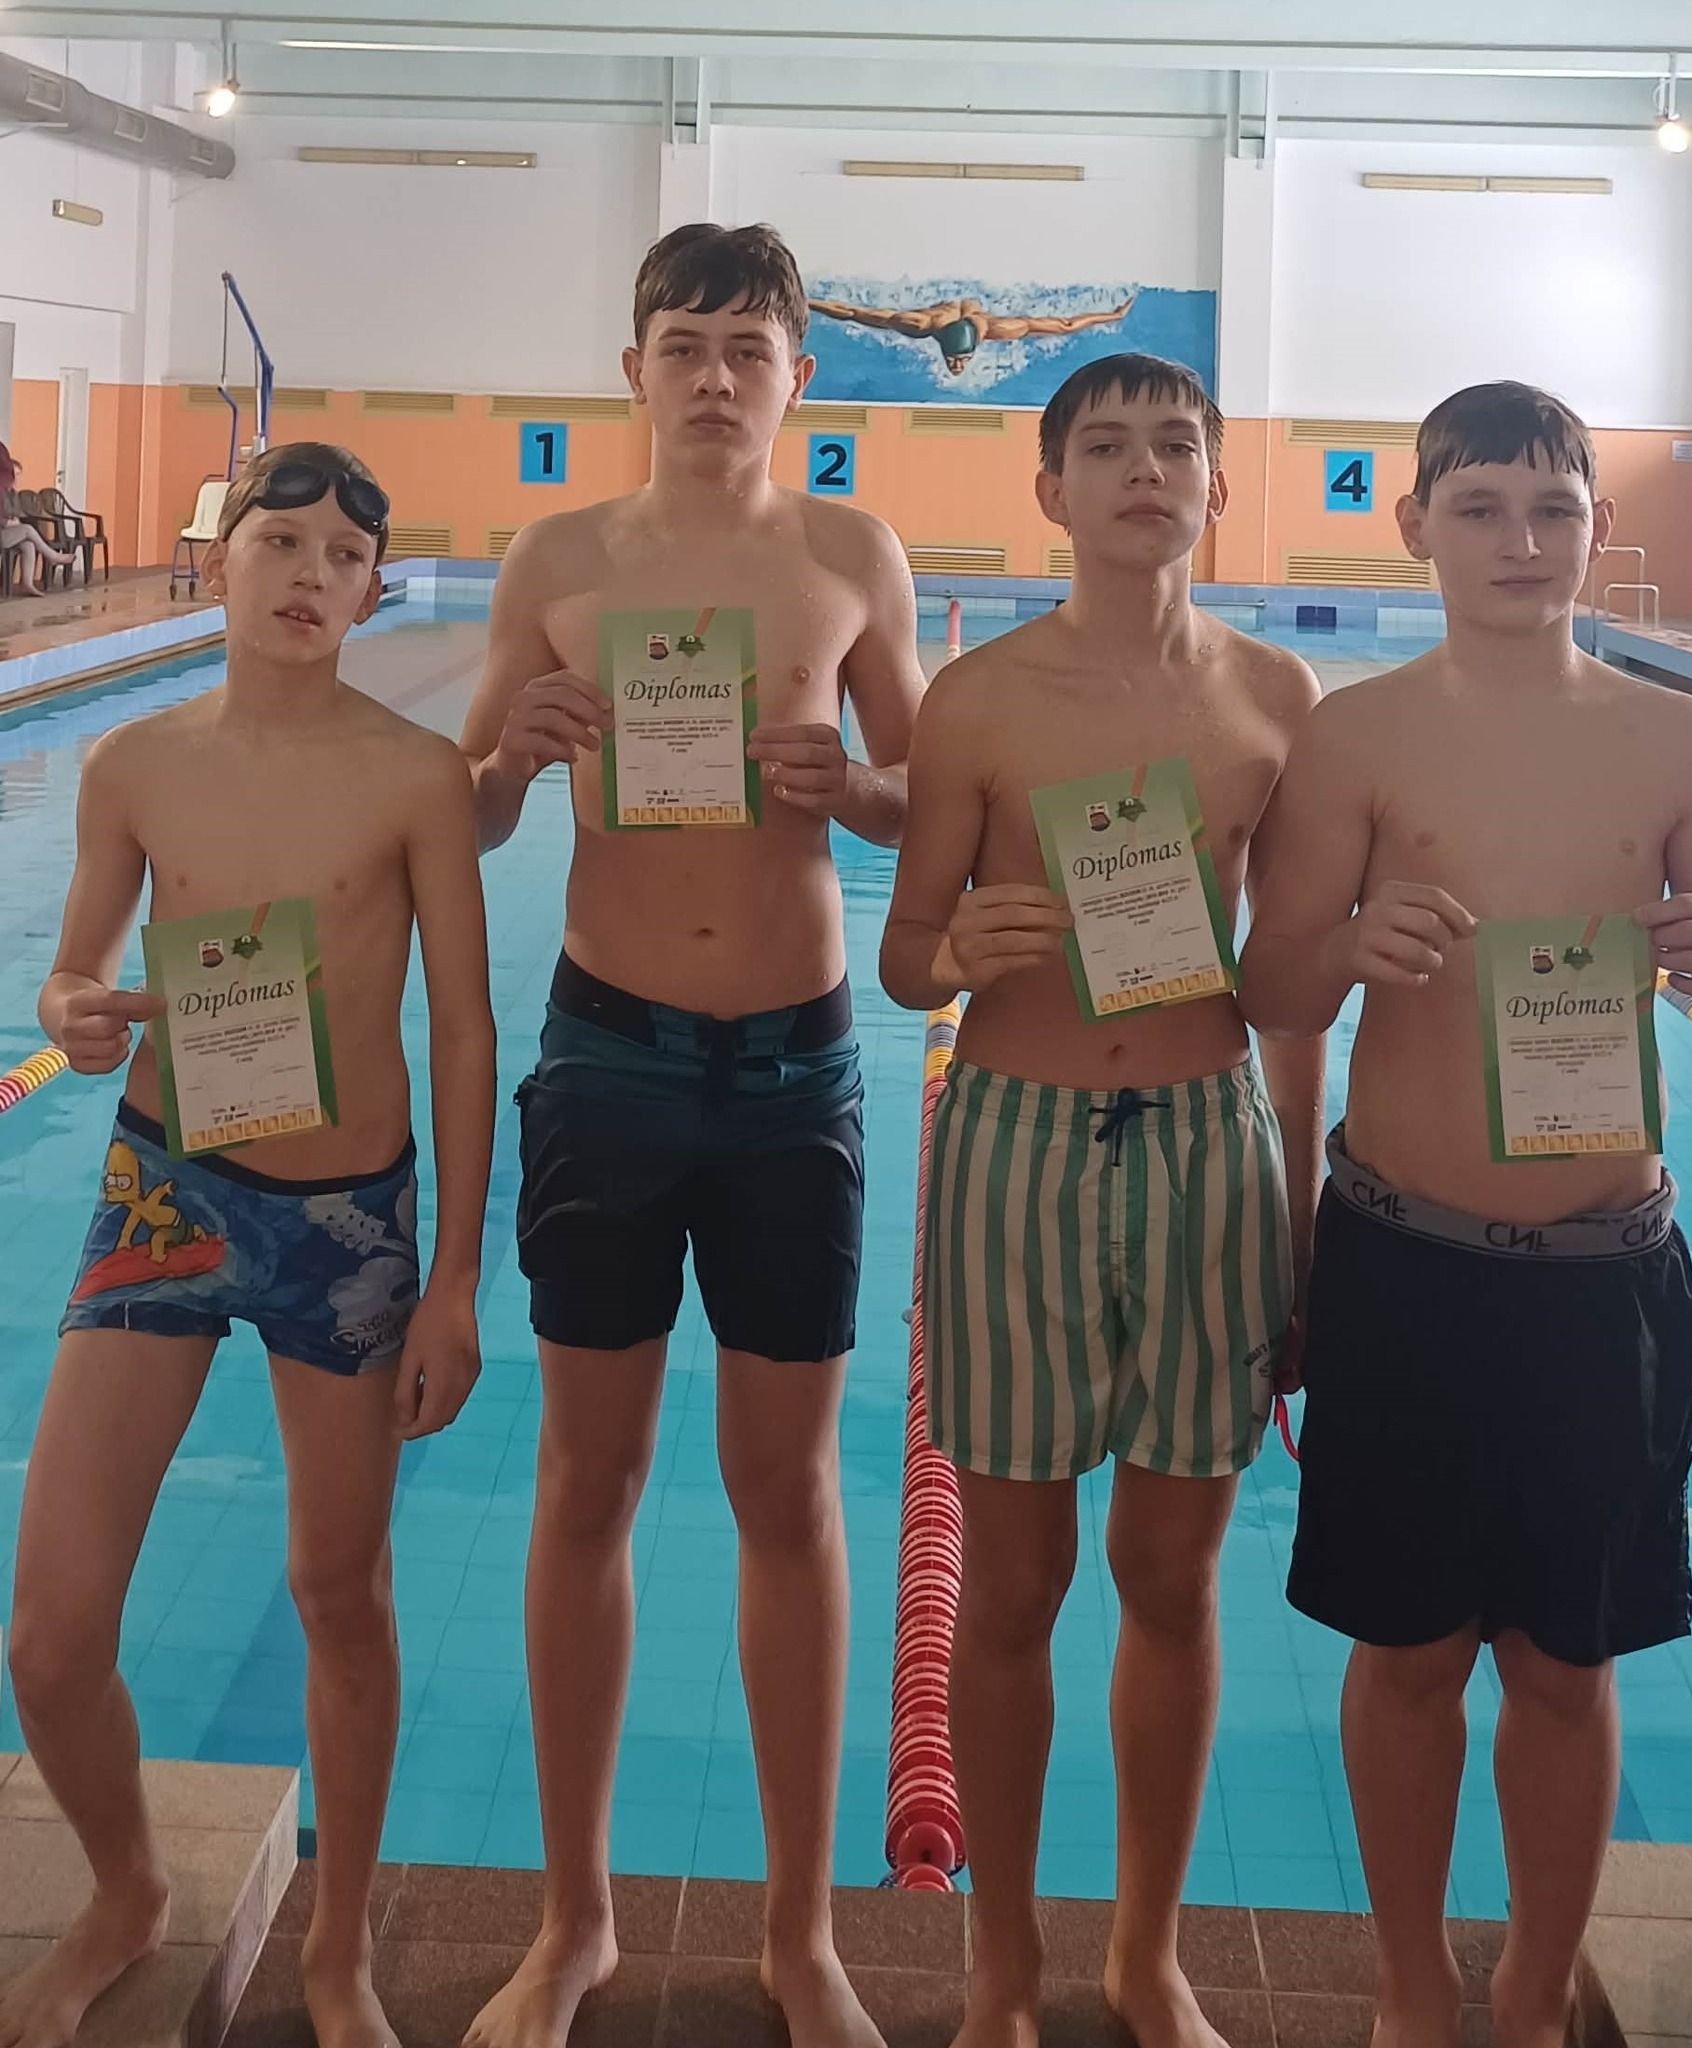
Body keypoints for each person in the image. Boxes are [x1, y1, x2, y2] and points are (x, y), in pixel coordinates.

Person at [457, 223, 924, 2048]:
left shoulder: (848, 553)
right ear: (633, 370)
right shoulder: (558, 559)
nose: (716, 376)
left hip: (796, 1070)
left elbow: (927, 795)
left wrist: (853, 785)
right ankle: (571, 1919)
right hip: (610, 1058)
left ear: (799, 373)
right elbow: (469, 813)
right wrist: (512, 753)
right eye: (684, 344)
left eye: (748, 346)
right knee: (585, 1484)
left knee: (787, 1495)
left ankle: (800, 1933)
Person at [1238, 381, 1692, 2048]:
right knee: (1406, 1655)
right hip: (1403, 1260)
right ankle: (1403, 1991)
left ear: (1596, 524)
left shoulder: (1674, 739)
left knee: (1564, 1666)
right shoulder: (1353, 736)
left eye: (1551, 508)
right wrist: (1340, 950)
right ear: (1412, 526)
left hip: (1601, 1273)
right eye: (1479, 508)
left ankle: (1523, 1996)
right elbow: (1269, 991)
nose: (1520, 541)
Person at [2, 441, 496, 2048]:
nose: (309, 574)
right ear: (218, 556)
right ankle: (128, 1888)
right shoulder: (133, 763)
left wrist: (454, 1280)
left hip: (344, 1225)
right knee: (49, 1634)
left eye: (344, 555)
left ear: (373, 591)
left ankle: (340, 1946)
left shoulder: (412, 776)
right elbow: (72, 970)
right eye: (280, 540)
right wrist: (72, 1012)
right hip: (167, 1192)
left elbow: (465, 1030)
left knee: (337, 1592)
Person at [880, 352, 1324, 2048]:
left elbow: (1290, 990)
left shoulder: (1274, 697)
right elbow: (900, 952)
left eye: (1175, 445)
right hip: (1014, 1136)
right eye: (1107, 447)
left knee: (1170, 1578)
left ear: (1213, 483)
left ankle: (1144, 1953)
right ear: (1049, 491)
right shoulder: (976, 701)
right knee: (1006, 1588)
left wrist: (1298, 1219)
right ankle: (998, 1962)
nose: (1144, 470)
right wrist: (950, 949)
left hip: (1210, 1139)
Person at [807, 292, 1137, 376]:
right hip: (944, 311)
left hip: (973, 313)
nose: (957, 367)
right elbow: (852, 312)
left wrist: (1113, 315)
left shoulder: (996, 329)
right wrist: (804, 301)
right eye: (956, 361)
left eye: (960, 361)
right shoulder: (920, 324)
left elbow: (1065, 325)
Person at [0, 447, 76, 594]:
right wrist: (11, 522)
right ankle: (53, 556)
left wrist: (15, 518)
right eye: (14, 474)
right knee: (28, 530)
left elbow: (17, 513)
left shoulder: (11, 493)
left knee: (28, 544)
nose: (16, 479)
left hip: (7, 532)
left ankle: (27, 584)